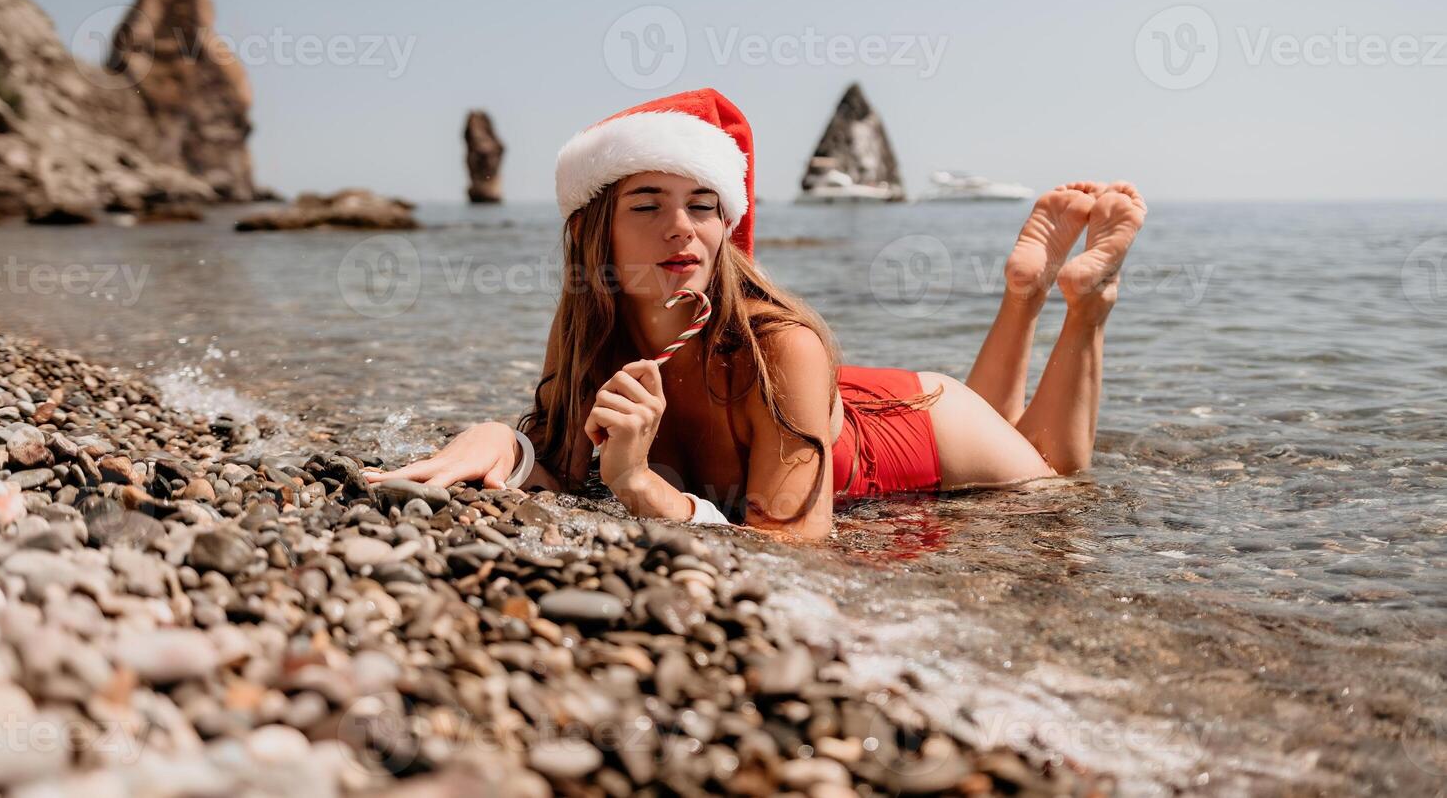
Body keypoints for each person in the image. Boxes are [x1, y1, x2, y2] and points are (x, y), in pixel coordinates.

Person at [365, 88, 1147, 542]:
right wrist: (499, 439)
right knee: (1027, 439)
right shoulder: (594, 338)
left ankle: (1083, 305)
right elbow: (563, 464)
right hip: (827, 416)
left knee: (1054, 480)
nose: (683, 228)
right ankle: (1023, 295)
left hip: (919, 431)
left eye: (704, 206)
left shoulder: (784, 345)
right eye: (648, 205)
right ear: (592, 230)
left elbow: (797, 549)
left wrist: (642, 486)